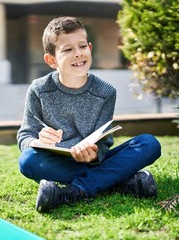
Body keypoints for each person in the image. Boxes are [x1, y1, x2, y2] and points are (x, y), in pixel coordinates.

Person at [17, 16, 161, 212]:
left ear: (90, 49)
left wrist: (94, 155)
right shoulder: (38, 89)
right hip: (57, 163)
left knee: (149, 143)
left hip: (93, 162)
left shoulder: (106, 92)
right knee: (28, 161)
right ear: (51, 60)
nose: (78, 54)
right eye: (67, 50)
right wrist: (38, 141)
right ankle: (118, 182)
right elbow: (25, 136)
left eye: (82, 46)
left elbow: (103, 142)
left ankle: (74, 191)